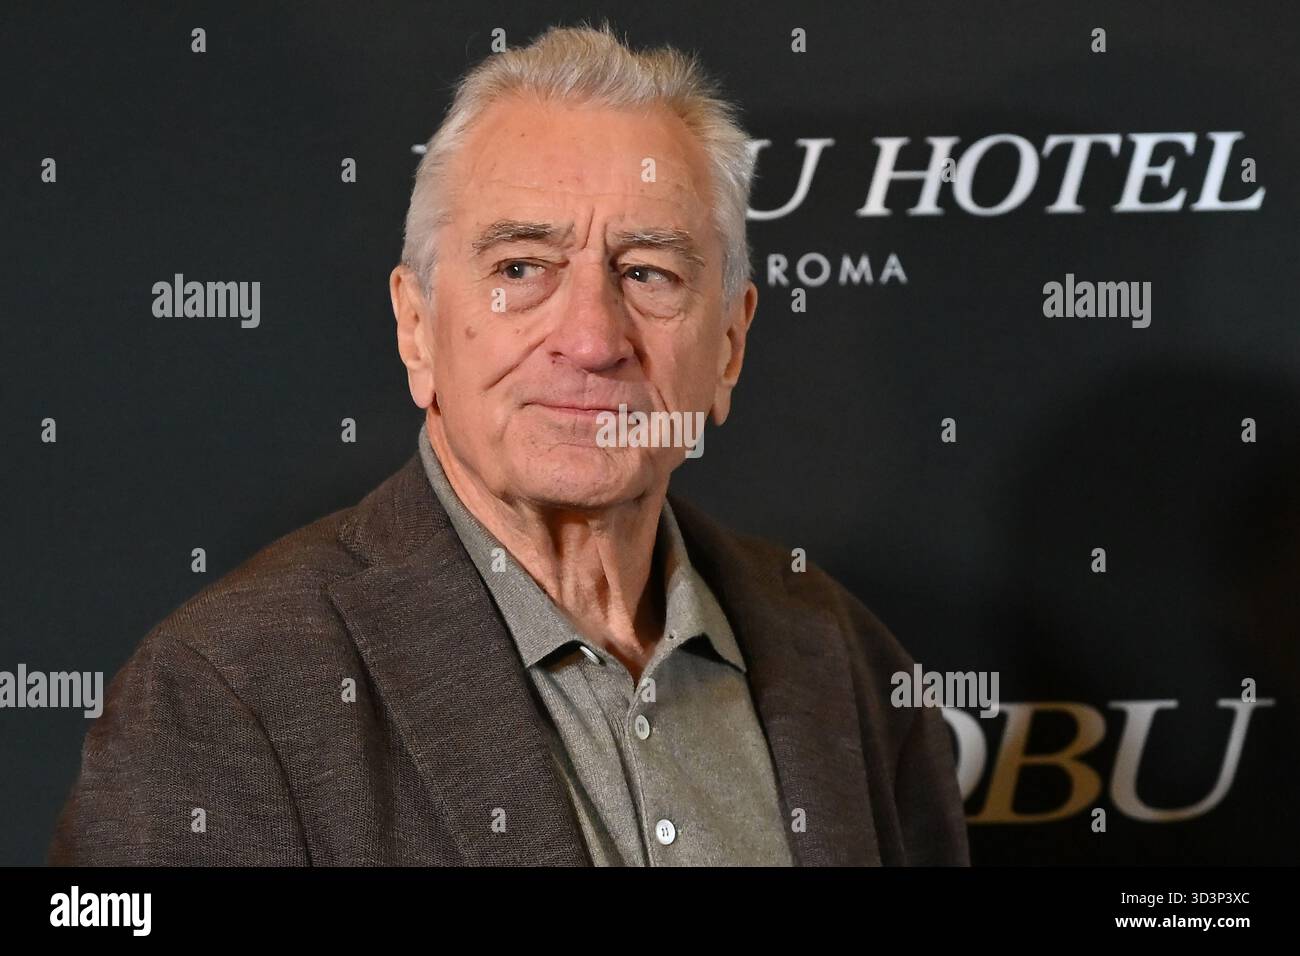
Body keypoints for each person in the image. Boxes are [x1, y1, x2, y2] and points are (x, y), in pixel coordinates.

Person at [48, 21, 969, 866]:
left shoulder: (845, 660)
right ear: (417, 328)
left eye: (648, 272)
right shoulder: (225, 694)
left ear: (728, 344)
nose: (592, 339)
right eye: (521, 268)